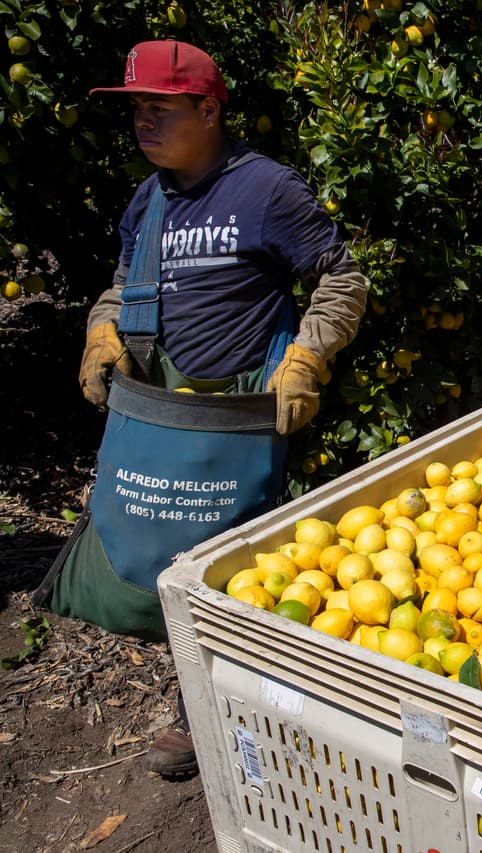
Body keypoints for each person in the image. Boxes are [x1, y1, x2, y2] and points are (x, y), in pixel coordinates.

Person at [77, 40, 369, 777]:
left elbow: (343, 280)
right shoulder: (149, 197)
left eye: (158, 107)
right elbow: (122, 281)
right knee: (162, 564)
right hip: (166, 416)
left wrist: (306, 357)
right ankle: (200, 695)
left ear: (209, 109)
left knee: (242, 570)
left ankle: (254, 719)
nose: (143, 122)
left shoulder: (266, 190)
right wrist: (101, 329)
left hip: (239, 415)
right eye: (135, 109)